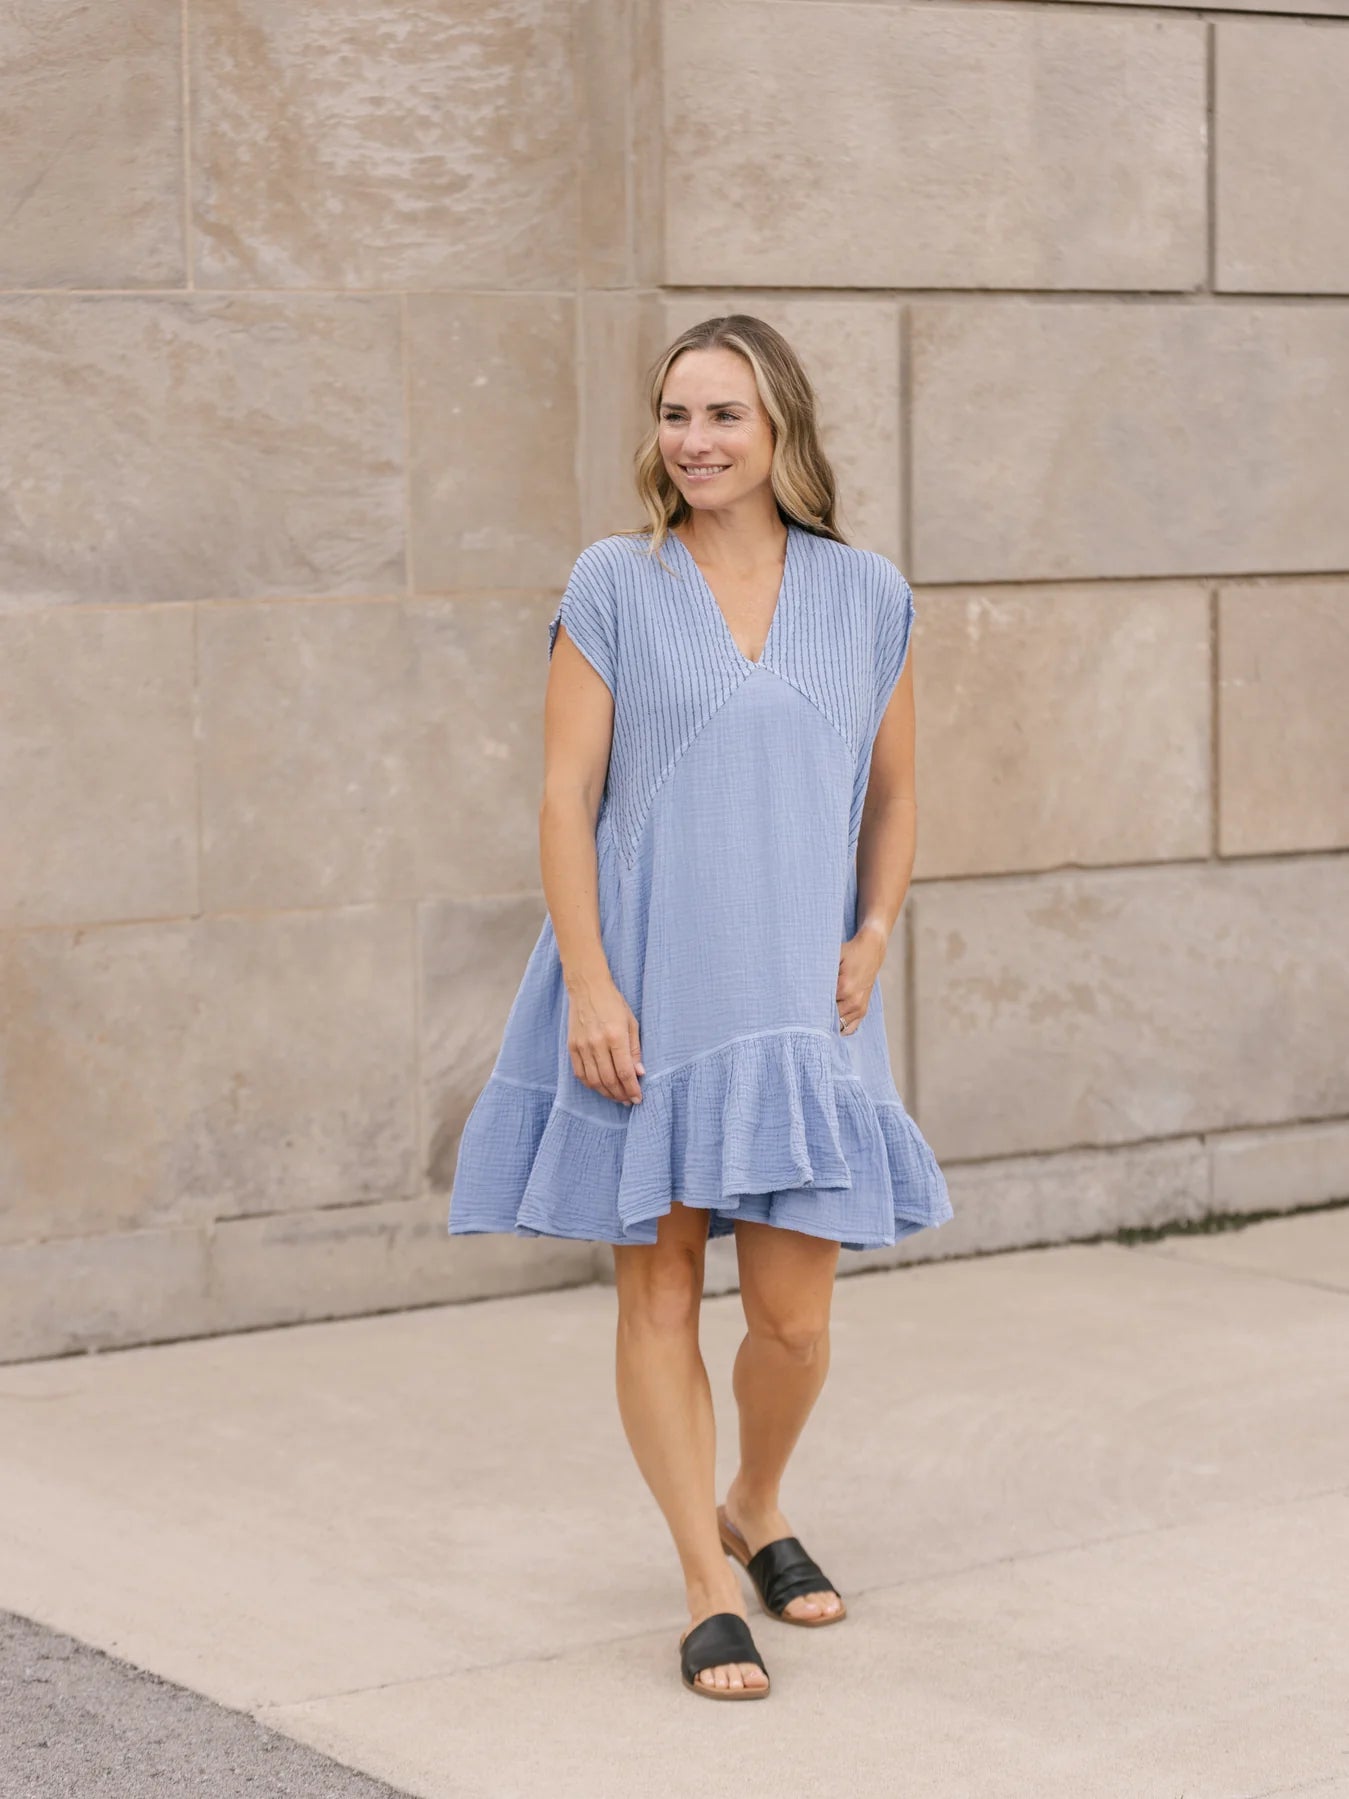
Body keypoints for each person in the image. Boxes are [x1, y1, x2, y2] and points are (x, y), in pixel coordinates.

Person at [447, 314, 953, 1700]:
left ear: (779, 426)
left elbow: (896, 793)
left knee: (792, 1319)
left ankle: (758, 1498)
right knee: (658, 1285)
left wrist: (874, 930)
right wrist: (592, 984)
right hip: (649, 992)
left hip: (801, 999)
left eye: (723, 414)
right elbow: (563, 798)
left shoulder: (865, 595)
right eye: (677, 414)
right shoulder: (614, 581)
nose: (695, 440)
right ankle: (697, 1576)